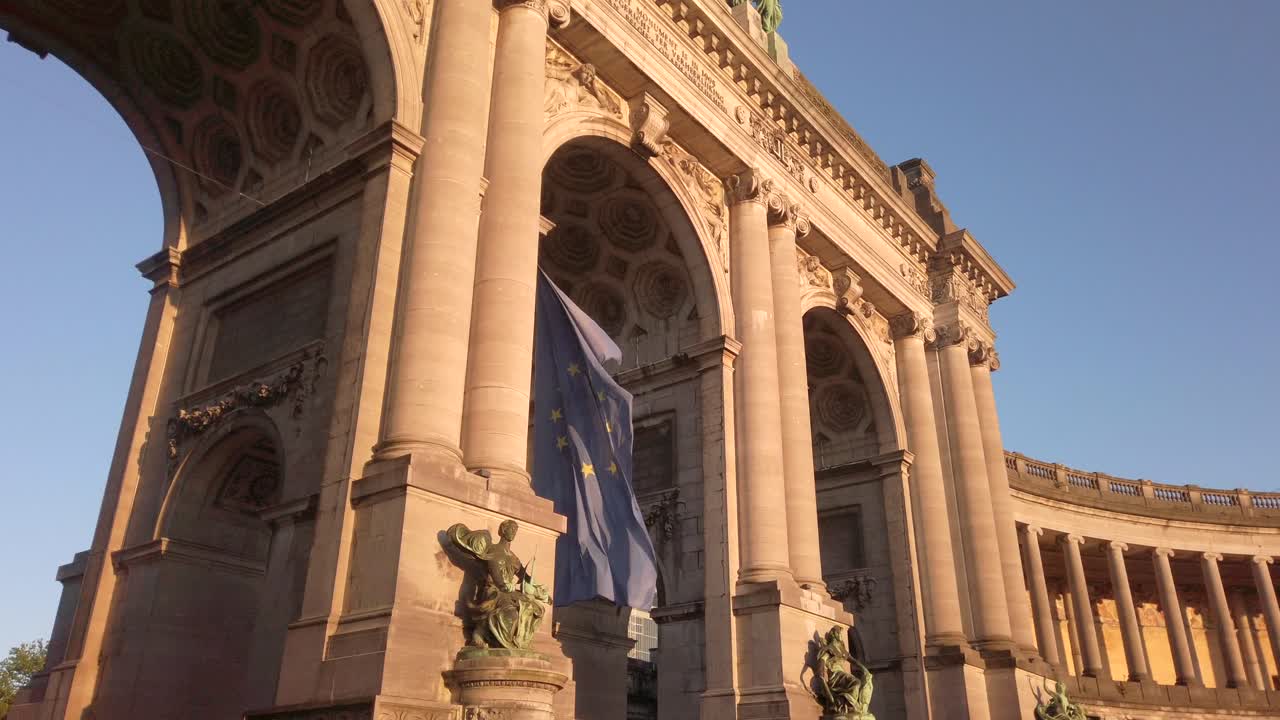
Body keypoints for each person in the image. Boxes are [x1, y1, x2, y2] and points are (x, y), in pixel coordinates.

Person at [447, 520, 550, 651]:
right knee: (513, 611)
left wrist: (540, 591)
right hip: (493, 591)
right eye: (510, 529)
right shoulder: (493, 550)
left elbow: (525, 577)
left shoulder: (513, 558)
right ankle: (484, 635)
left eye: (515, 530)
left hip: (508, 591)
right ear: (502, 531)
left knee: (536, 608)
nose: (513, 532)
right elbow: (496, 576)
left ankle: (519, 641)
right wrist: (504, 585)